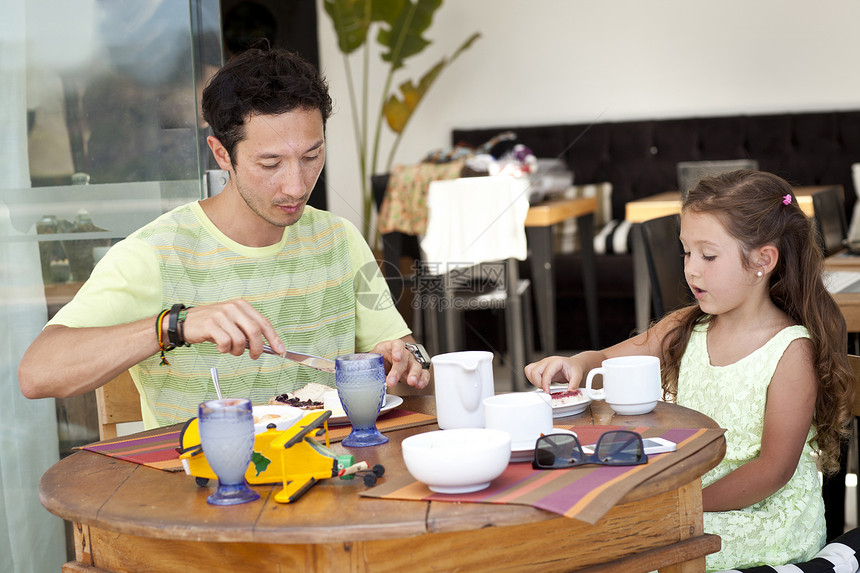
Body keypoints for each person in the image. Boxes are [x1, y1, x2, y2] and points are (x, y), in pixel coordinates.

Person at [18, 45, 430, 429]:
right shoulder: (154, 255)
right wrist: (174, 326)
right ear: (221, 154)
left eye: (311, 156)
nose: (296, 186)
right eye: (271, 163)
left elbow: (409, 357)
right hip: (205, 491)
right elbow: (37, 374)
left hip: (332, 475)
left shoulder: (338, 238)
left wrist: (407, 360)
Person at [525, 170, 854, 571]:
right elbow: (608, 359)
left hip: (764, 520)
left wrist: (682, 502)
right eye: (686, 252)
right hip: (690, 500)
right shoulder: (687, 325)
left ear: (763, 261)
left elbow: (773, 470)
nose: (692, 270)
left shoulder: (790, 351)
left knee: (627, 552)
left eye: (708, 255)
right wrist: (573, 363)